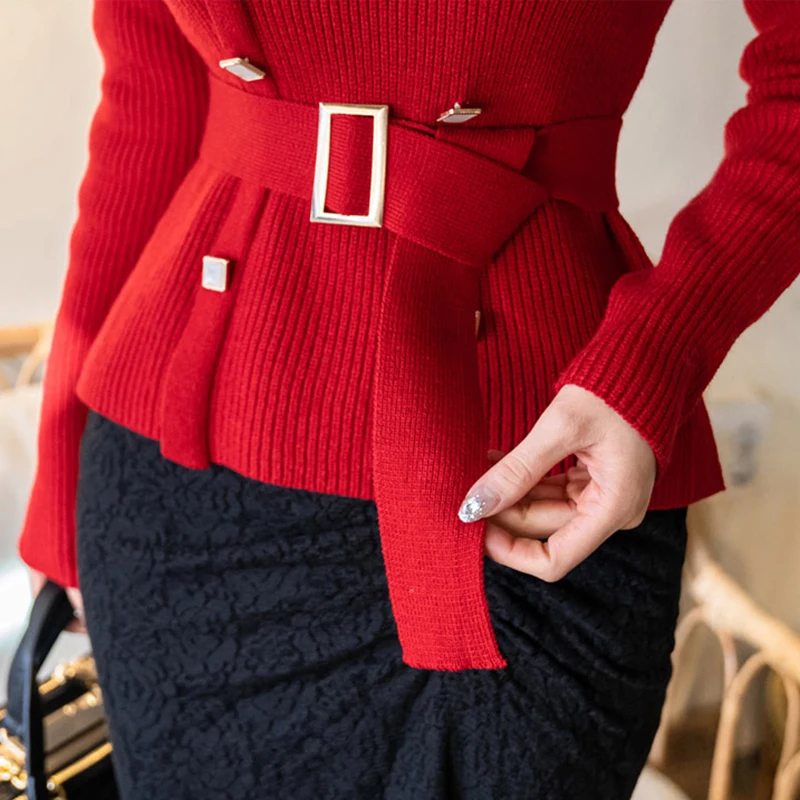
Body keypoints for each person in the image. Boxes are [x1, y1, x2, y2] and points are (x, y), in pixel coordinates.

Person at [17, 0, 800, 797]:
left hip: (532, 491)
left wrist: (657, 356)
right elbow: (149, 96)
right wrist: (59, 485)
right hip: (180, 506)